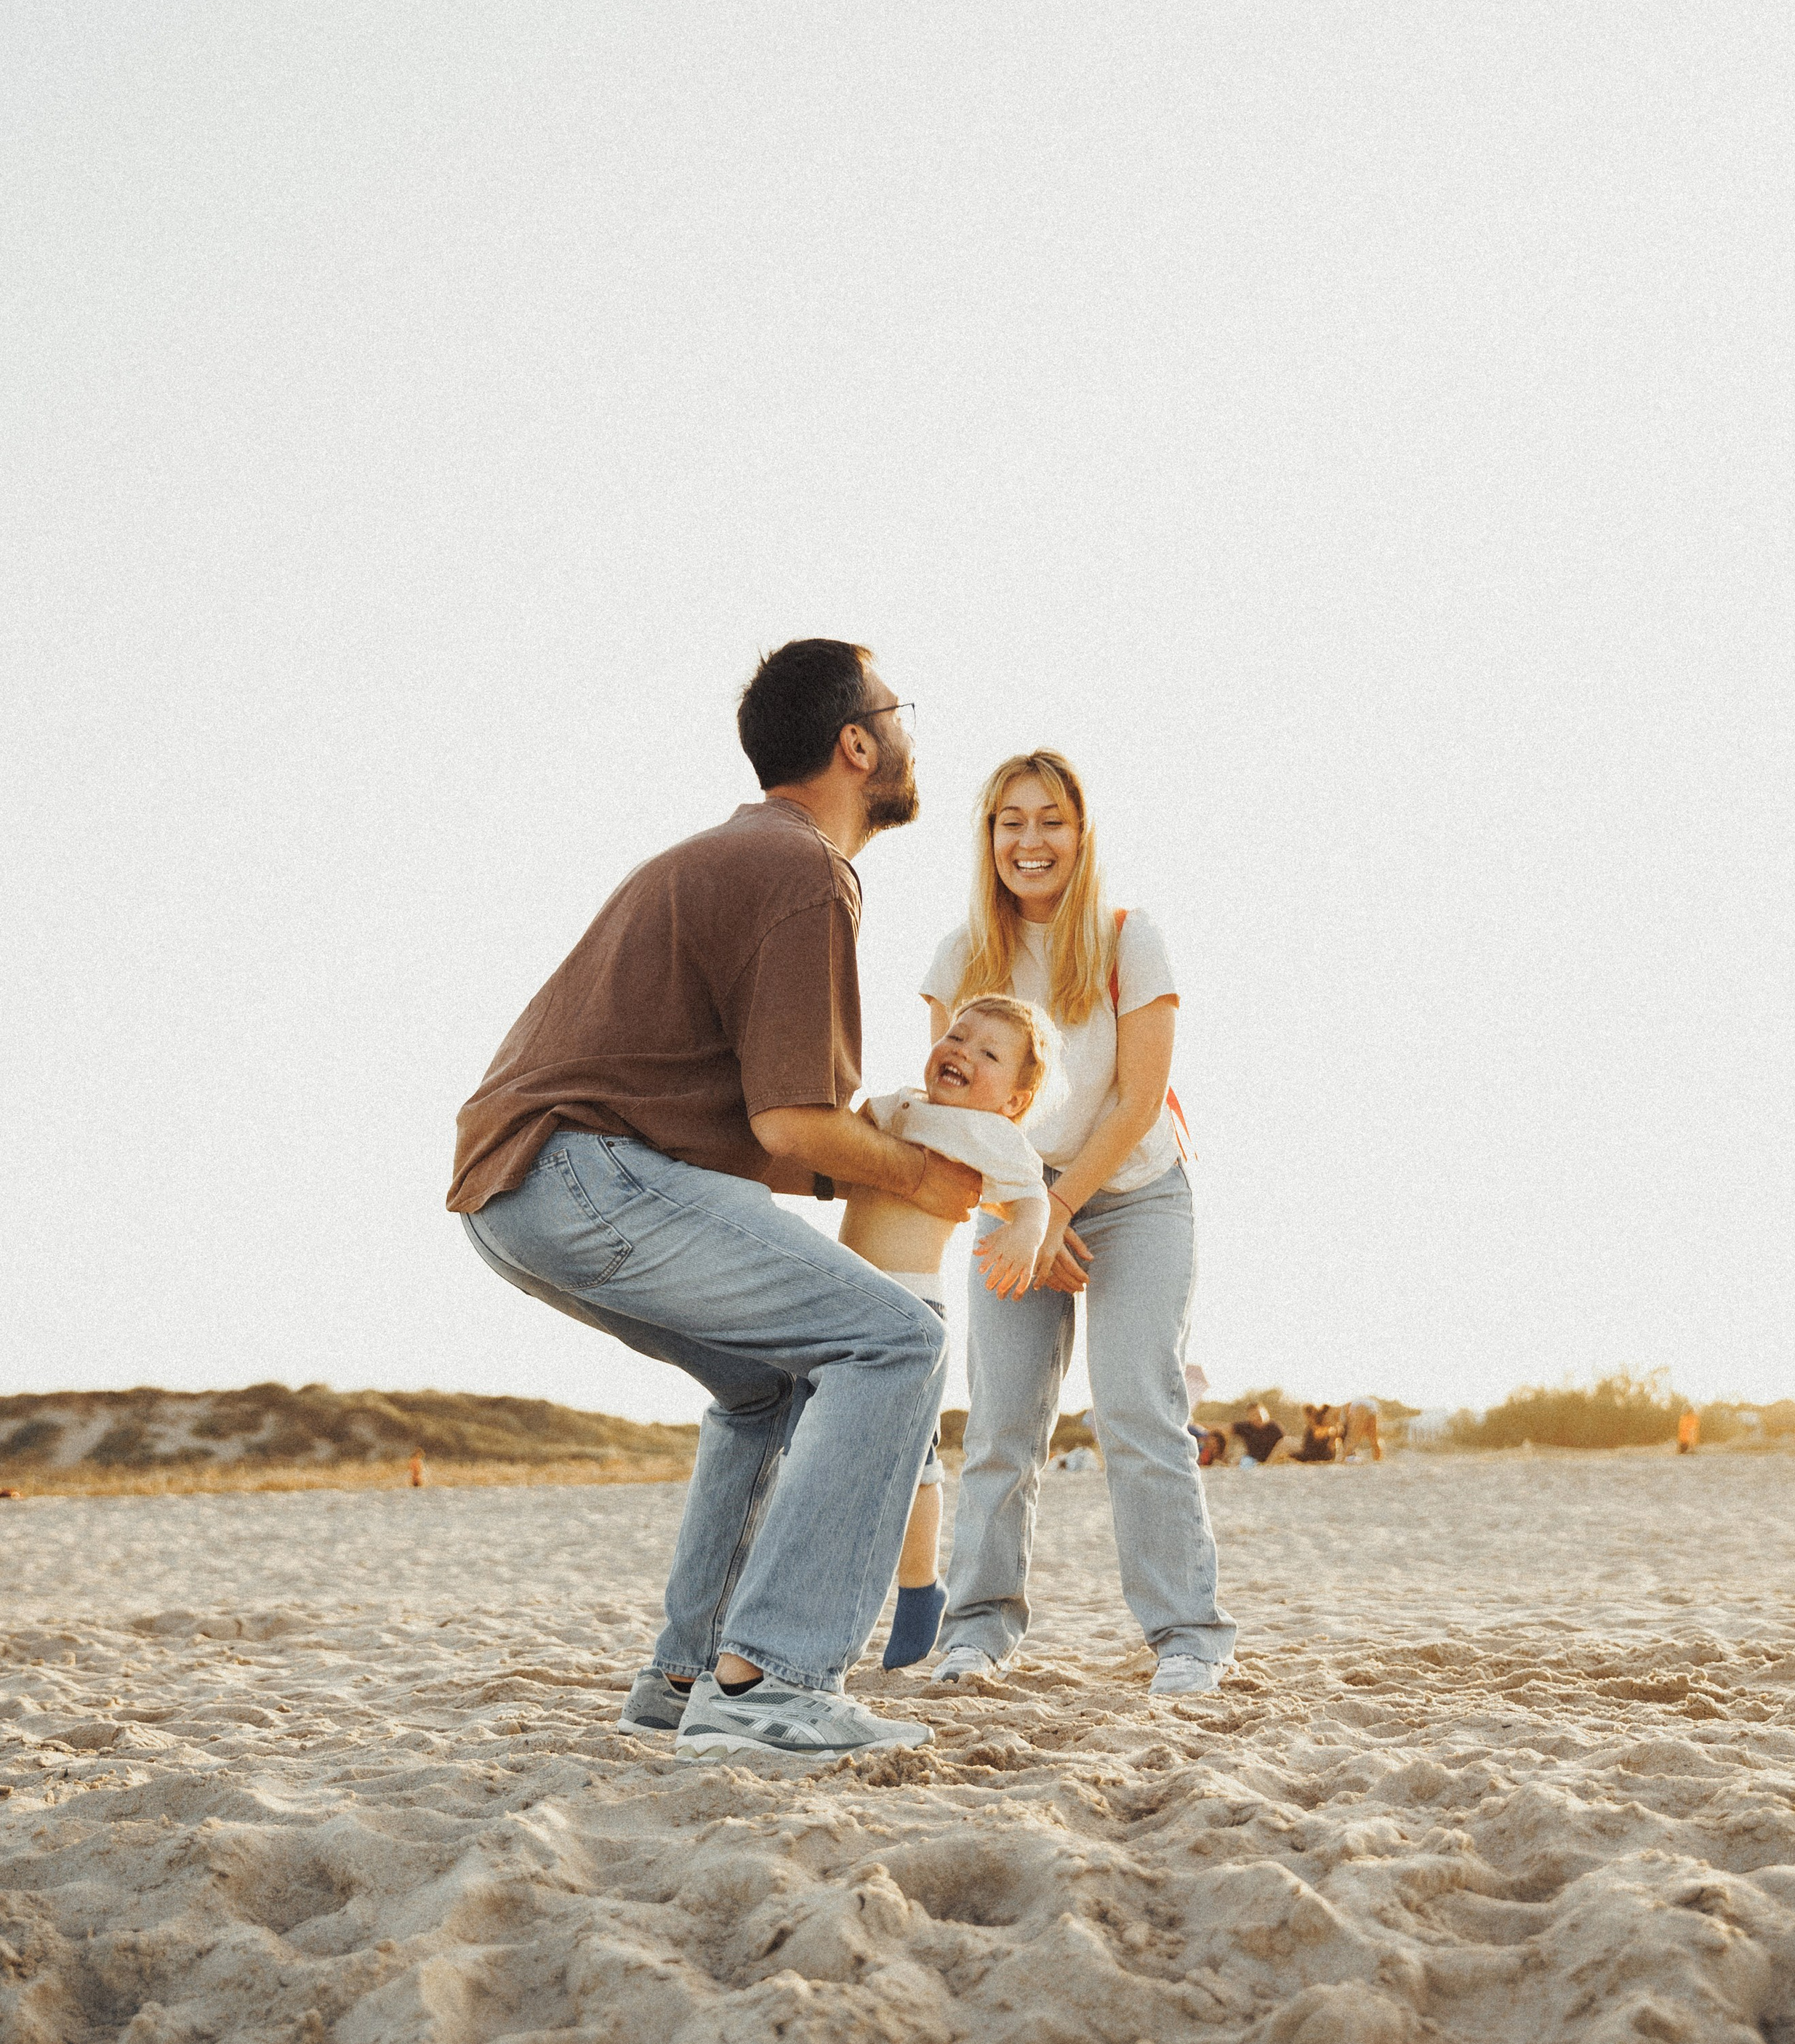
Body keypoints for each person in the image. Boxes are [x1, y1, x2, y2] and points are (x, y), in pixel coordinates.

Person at [447, 640, 982, 1763]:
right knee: (897, 1340)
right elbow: (795, 1124)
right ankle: (772, 1682)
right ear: (856, 743)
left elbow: (759, 1134)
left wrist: (867, 1158)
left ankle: (688, 1676)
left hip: (517, 1190)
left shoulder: (727, 857)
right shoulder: (804, 871)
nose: (910, 734)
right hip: (581, 1172)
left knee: (767, 1386)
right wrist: (926, 1178)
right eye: (901, 712)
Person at [921, 750, 1234, 1699]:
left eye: (1051, 819)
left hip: (1136, 1194)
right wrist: (1023, 1212)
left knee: (1138, 1406)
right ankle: (976, 1631)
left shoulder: (1132, 940)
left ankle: (1188, 1636)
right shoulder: (960, 957)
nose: (1031, 840)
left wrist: (1054, 1212)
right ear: (988, 837)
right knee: (1002, 1421)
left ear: (1081, 833)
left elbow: (1138, 1099)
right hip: (1011, 1197)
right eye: (1010, 821)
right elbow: (957, 1115)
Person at [836, 993, 1056, 1667]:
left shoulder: (991, 1135)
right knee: (830, 1454)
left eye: (988, 1053)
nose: (962, 1051)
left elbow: (1032, 1195)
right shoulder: (900, 1104)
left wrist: (1022, 1236)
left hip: (909, 1308)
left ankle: (918, 1590)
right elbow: (841, 1137)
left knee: (914, 1465)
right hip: (839, 1298)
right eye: (957, 1037)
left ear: (1014, 1101)